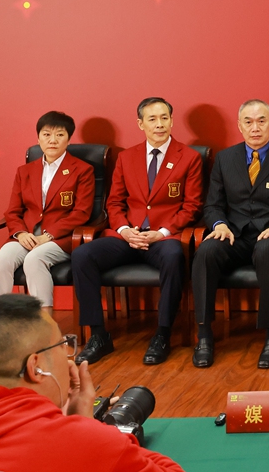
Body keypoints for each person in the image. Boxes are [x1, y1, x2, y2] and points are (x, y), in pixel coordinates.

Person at [0, 294, 188, 472]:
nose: (69, 355)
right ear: (35, 367)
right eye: (63, 344)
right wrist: (90, 430)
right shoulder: (80, 445)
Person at [73, 97, 204, 366]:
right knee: (83, 255)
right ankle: (98, 335)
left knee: (173, 257)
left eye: (164, 118)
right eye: (153, 119)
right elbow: (114, 201)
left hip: (163, 238)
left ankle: (163, 334)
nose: (159, 125)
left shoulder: (188, 157)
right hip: (127, 236)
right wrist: (123, 229)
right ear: (140, 124)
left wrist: (163, 231)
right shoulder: (126, 157)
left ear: (171, 120)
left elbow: (192, 206)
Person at [191, 100, 269, 369]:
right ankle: (205, 336)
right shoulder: (224, 158)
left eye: (261, 121)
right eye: (248, 121)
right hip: (234, 234)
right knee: (206, 251)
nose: (255, 128)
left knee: (267, 250)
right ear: (239, 125)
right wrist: (219, 224)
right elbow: (212, 205)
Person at [0, 111, 94, 310]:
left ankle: (44, 325)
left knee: (34, 259)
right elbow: (12, 211)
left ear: (69, 139)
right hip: (26, 235)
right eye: (46, 134)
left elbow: (82, 212)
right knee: (2, 260)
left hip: (60, 238)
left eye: (59, 135)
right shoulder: (25, 171)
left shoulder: (82, 170)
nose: (52, 140)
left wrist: (49, 235)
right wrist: (20, 233)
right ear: (38, 138)